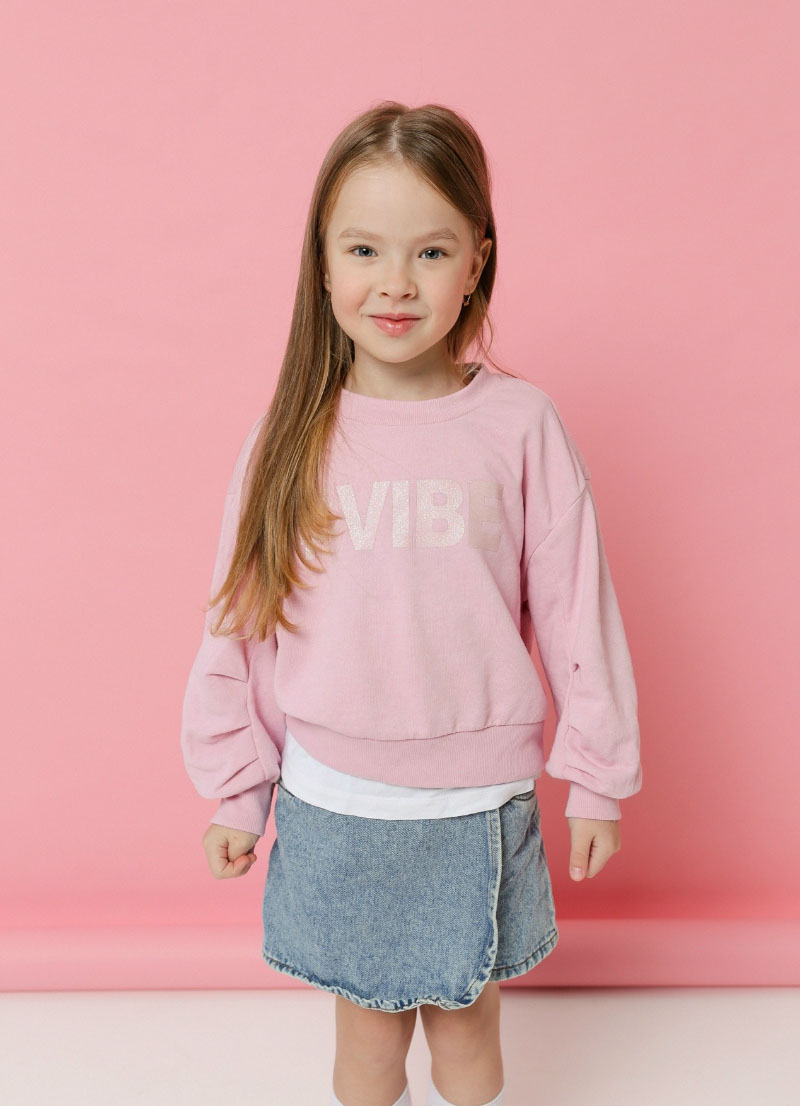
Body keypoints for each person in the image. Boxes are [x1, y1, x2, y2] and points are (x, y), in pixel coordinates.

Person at [180, 100, 642, 1106]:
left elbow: (577, 608)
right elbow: (243, 625)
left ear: (476, 261)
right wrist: (238, 790)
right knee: (367, 1049)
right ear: (322, 263)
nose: (395, 282)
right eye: (364, 250)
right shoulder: (290, 436)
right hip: (337, 802)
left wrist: (597, 779)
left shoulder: (519, 424)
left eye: (430, 252)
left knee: (469, 1043)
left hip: (477, 805)